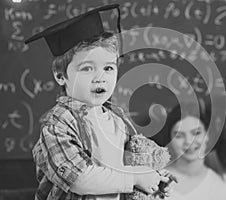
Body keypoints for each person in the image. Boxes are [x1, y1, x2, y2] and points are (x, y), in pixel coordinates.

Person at [25, 4, 171, 200]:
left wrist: (153, 177)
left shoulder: (118, 118)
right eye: (87, 69)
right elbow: (78, 178)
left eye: (108, 68)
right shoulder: (59, 123)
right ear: (61, 75)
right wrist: (134, 178)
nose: (100, 78)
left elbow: (131, 164)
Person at [162, 102, 226, 200]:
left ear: (207, 134)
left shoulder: (220, 189)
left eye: (196, 133)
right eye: (179, 136)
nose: (188, 141)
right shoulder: (154, 178)